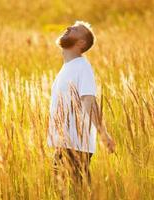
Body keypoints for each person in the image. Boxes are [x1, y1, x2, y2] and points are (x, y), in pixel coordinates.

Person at [47, 20, 115, 193]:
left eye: (75, 29)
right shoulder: (68, 67)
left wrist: (103, 134)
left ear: (81, 43)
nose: (68, 27)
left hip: (75, 145)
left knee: (77, 193)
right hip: (65, 144)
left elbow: (89, 101)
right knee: (66, 193)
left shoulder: (82, 67)